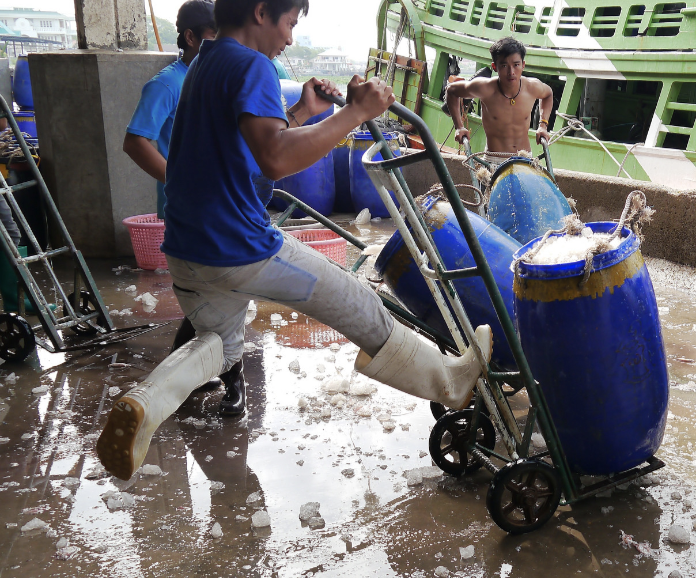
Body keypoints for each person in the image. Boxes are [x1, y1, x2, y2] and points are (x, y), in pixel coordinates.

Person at [96, 0, 492, 482]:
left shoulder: (205, 62)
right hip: (239, 246)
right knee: (357, 302)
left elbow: (247, 148)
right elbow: (275, 160)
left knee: (220, 343)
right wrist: (356, 111)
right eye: (289, 24)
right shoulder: (252, 64)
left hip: (186, 247)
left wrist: (305, 111)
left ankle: (145, 402)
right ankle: (448, 382)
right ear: (262, 12)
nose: (288, 39)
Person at [124, 0, 218, 219]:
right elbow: (134, 142)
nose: (221, 45)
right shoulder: (167, 83)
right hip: (187, 206)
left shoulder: (215, 78)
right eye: (214, 37)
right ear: (190, 37)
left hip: (218, 201)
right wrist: (182, 182)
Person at [444, 36, 553, 153]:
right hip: (494, 158)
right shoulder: (485, 88)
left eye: (516, 65)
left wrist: (543, 125)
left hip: (524, 158)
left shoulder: (532, 87)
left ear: (523, 65)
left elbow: (548, 94)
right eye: (504, 66)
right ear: (495, 67)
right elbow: (451, 90)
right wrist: (459, 127)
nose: (511, 72)